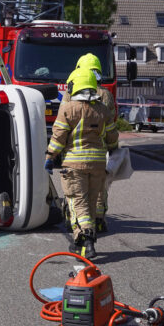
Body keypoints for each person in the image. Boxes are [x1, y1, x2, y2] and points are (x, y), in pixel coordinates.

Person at [45, 71, 118, 258]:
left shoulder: (68, 108)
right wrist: (113, 150)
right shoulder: (103, 109)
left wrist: (50, 156)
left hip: (74, 164)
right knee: (92, 201)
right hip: (98, 164)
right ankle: (84, 240)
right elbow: (112, 137)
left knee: (78, 201)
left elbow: (58, 137)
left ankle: (86, 240)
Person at [62, 53, 114, 233]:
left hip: (75, 150)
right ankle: (98, 218)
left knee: (77, 191)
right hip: (100, 149)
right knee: (99, 186)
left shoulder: (70, 94)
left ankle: (80, 225)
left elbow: (63, 121)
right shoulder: (106, 94)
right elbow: (111, 121)